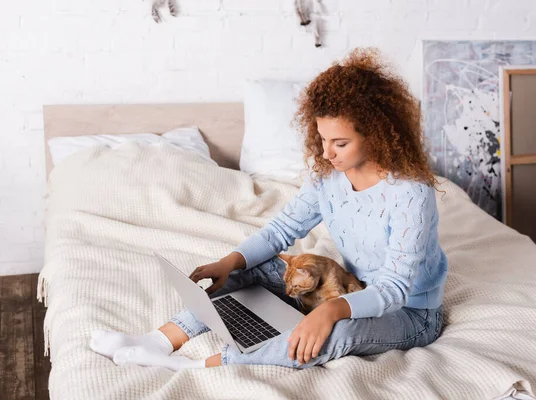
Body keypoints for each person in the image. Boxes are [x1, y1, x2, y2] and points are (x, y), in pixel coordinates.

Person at [89, 47, 448, 371]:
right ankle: (159, 341)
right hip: (350, 287)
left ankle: (192, 367)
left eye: (340, 143)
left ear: (377, 134)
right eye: (322, 139)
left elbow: (396, 287)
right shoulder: (329, 175)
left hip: (410, 312)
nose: (326, 153)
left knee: (333, 335)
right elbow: (282, 230)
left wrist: (330, 311)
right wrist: (230, 262)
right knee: (246, 272)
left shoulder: (410, 194)